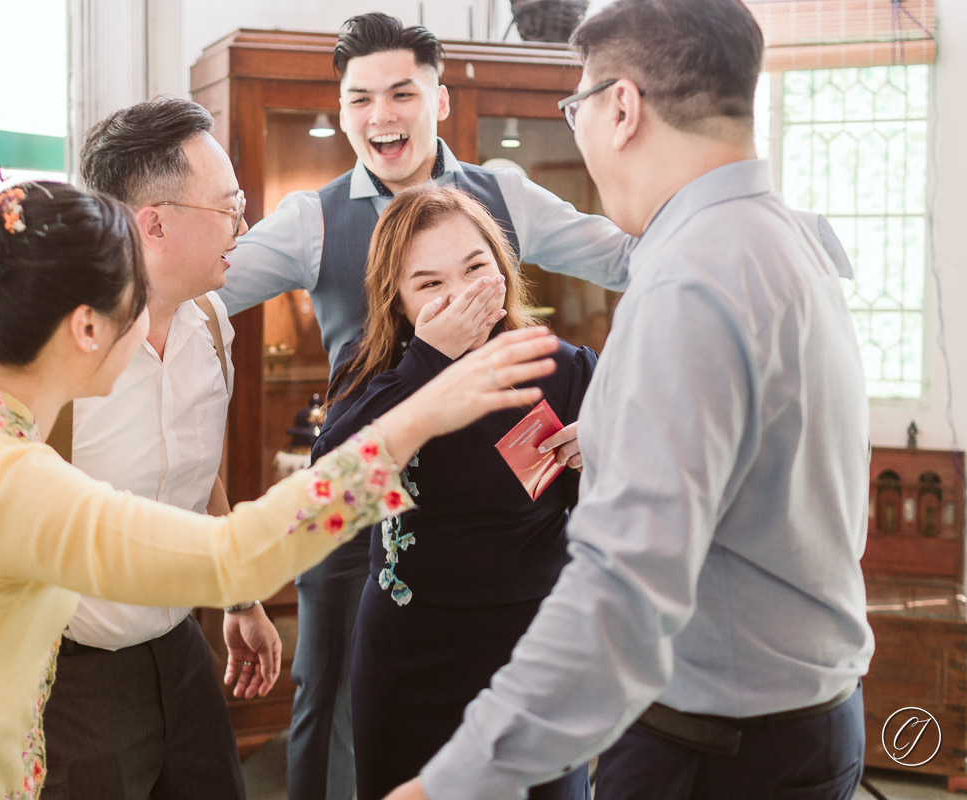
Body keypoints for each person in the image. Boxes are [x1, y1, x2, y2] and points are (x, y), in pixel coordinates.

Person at [0, 181, 561, 800]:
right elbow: (236, 559)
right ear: (88, 330)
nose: (153, 319)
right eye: (136, 302)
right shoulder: (9, 483)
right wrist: (422, 411)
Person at [383, 1, 873, 799]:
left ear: (621, 107)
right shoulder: (788, 238)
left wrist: (454, 781)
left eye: (574, 106)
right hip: (808, 716)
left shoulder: (689, 280)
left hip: (717, 750)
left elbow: (621, 593)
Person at [215, 14, 634, 798]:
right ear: (341, 111)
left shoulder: (501, 193)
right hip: (365, 488)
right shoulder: (314, 216)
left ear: (440, 100)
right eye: (360, 98)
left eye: (403, 92)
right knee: (329, 693)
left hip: (506, 507)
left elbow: (620, 257)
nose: (382, 115)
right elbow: (206, 289)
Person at [311, 186, 595, 800]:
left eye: (474, 268)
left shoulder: (562, 368)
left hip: (535, 654)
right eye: (430, 285)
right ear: (400, 303)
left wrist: (603, 452)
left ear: (502, 266)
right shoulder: (375, 375)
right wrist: (431, 361)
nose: (461, 294)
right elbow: (330, 494)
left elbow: (626, 511)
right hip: (411, 657)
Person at [36, 98, 276, 800]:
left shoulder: (211, 322)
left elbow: (202, 470)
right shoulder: (54, 351)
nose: (245, 224)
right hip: (75, 676)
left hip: (181, 645)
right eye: (229, 206)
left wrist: (240, 599)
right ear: (154, 222)